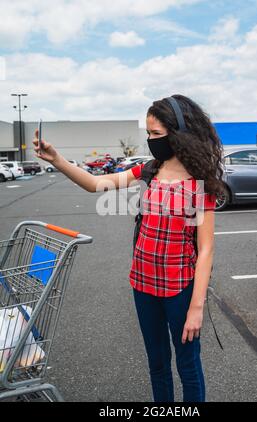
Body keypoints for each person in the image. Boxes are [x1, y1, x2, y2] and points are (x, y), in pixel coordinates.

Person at [32, 94, 224, 402]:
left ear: (180, 134)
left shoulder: (200, 184)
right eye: (148, 134)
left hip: (180, 290)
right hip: (143, 284)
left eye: (157, 134)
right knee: (157, 364)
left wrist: (196, 308)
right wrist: (57, 160)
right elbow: (96, 184)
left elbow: (206, 250)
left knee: (188, 365)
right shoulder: (149, 171)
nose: (151, 140)